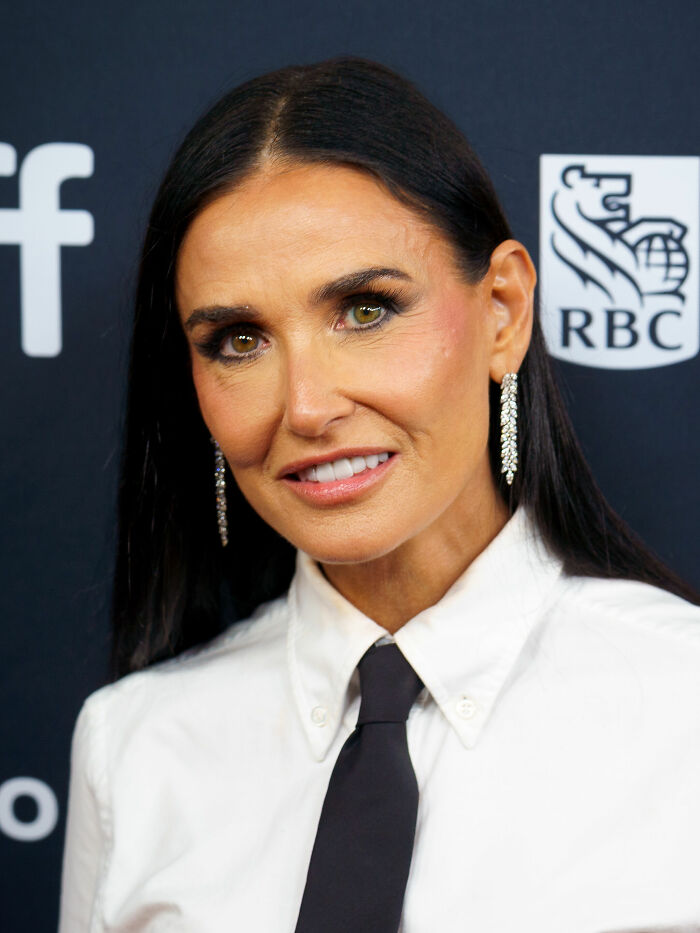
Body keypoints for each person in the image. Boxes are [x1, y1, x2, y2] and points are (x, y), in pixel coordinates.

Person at [59, 57, 700, 933]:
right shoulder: (134, 747)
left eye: (365, 309)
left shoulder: (683, 702)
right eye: (239, 340)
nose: (308, 406)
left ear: (504, 311)